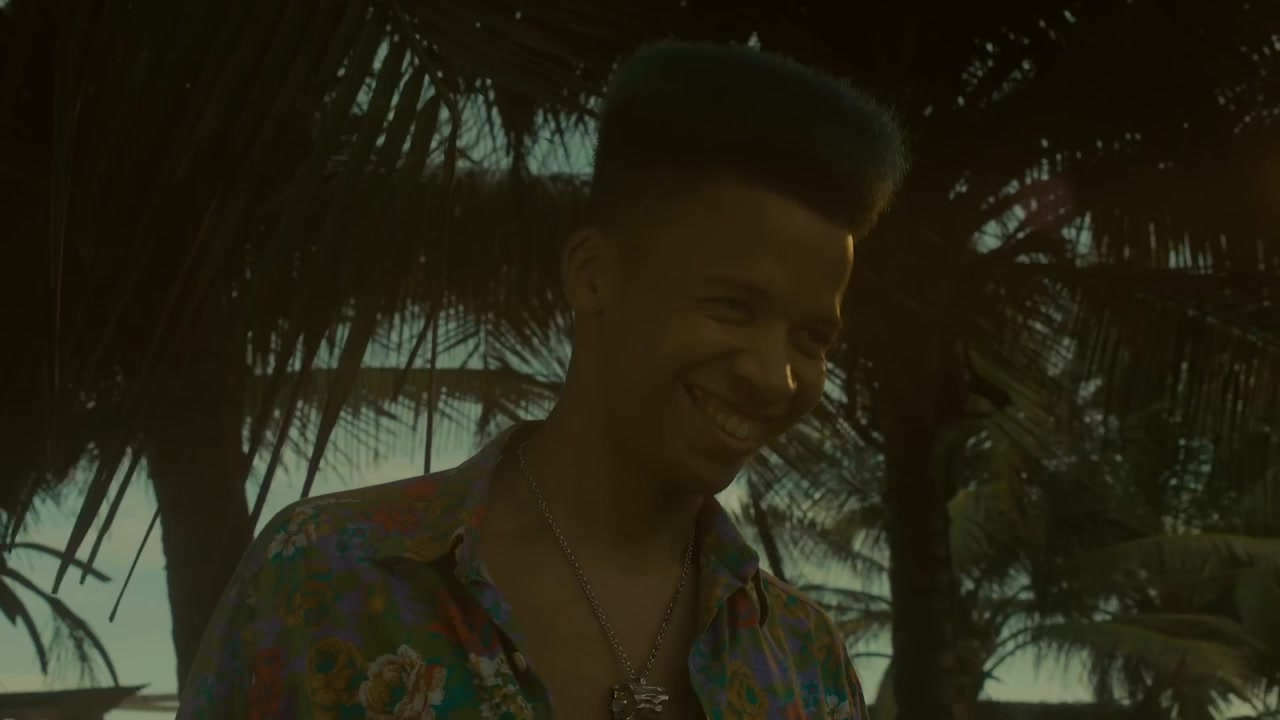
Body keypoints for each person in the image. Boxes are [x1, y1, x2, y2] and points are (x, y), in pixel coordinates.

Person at [177, 40, 906, 720]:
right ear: (593, 275)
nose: (776, 378)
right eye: (732, 307)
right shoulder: (328, 580)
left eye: (812, 338)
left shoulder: (806, 662)